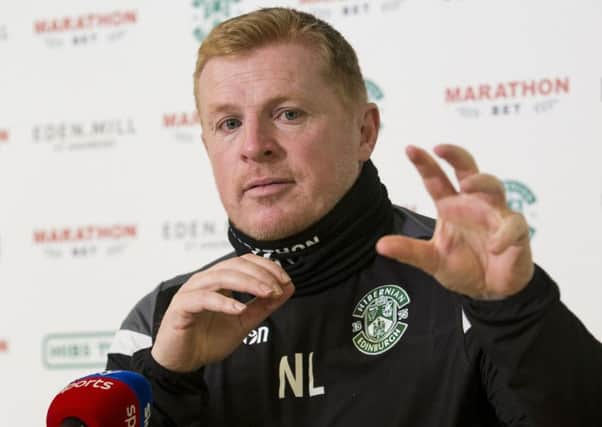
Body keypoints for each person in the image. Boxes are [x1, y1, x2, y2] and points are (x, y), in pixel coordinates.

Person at [107, 7, 602, 426]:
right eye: (229, 123)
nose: (254, 147)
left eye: (289, 114)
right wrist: (167, 379)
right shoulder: (162, 322)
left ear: (364, 132)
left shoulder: (472, 291)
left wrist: (517, 314)